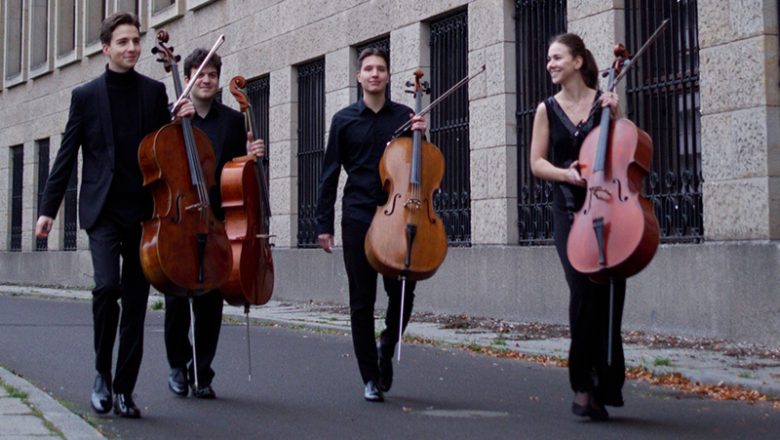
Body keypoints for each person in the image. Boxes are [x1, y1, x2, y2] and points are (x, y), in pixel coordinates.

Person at [35, 12, 171, 418]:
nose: (132, 48)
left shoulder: (154, 92)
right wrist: (47, 210)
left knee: (135, 300)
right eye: (124, 41)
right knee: (105, 288)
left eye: (136, 41)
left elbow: (168, 154)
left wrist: (177, 124)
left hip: (145, 212)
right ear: (106, 47)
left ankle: (125, 389)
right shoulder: (86, 96)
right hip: (104, 211)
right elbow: (65, 158)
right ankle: (101, 374)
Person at [315, 48, 427, 402]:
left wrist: (423, 136)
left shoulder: (407, 116)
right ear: (358, 77)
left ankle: (387, 342)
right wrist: (323, 225)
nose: (374, 74)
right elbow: (329, 174)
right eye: (368, 69)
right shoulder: (344, 119)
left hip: (399, 217)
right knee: (361, 301)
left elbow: (421, 169)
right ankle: (369, 377)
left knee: (403, 291)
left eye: (380, 68)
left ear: (388, 76)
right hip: (359, 216)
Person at [529, 33, 624, 421]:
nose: (550, 64)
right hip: (568, 212)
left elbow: (623, 152)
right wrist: (566, 175)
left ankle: (607, 382)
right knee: (583, 292)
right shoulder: (546, 109)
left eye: (556, 57)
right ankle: (583, 385)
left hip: (610, 210)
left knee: (610, 297)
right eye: (548, 58)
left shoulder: (605, 102)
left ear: (578, 61)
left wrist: (616, 116)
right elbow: (536, 163)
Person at [164, 48, 265, 400]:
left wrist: (252, 158)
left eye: (211, 75)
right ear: (188, 78)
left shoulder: (232, 121)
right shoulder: (174, 117)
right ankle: (178, 366)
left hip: (217, 217)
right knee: (177, 298)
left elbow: (238, 169)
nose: (206, 80)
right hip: (181, 219)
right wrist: (176, 121)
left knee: (210, 302)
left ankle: (202, 372)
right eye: (199, 74)